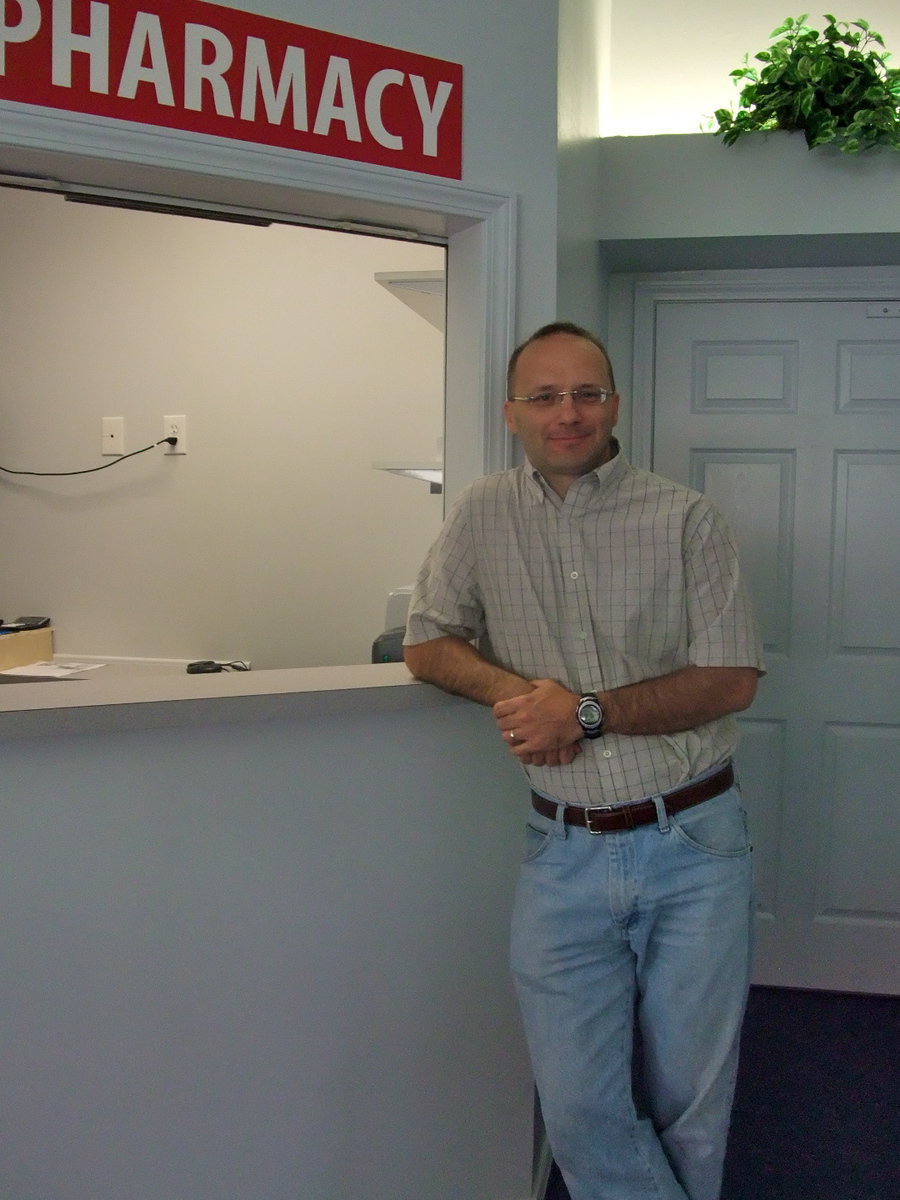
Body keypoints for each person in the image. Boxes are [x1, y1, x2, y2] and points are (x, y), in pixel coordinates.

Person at [403, 321, 765, 1200]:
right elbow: (427, 643)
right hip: (559, 854)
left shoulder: (688, 519)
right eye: (546, 396)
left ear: (614, 404)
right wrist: (521, 696)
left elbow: (730, 679)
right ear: (512, 413)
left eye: (587, 394)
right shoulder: (481, 513)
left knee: (692, 1099)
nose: (569, 414)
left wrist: (587, 712)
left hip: (694, 844)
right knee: (576, 1108)